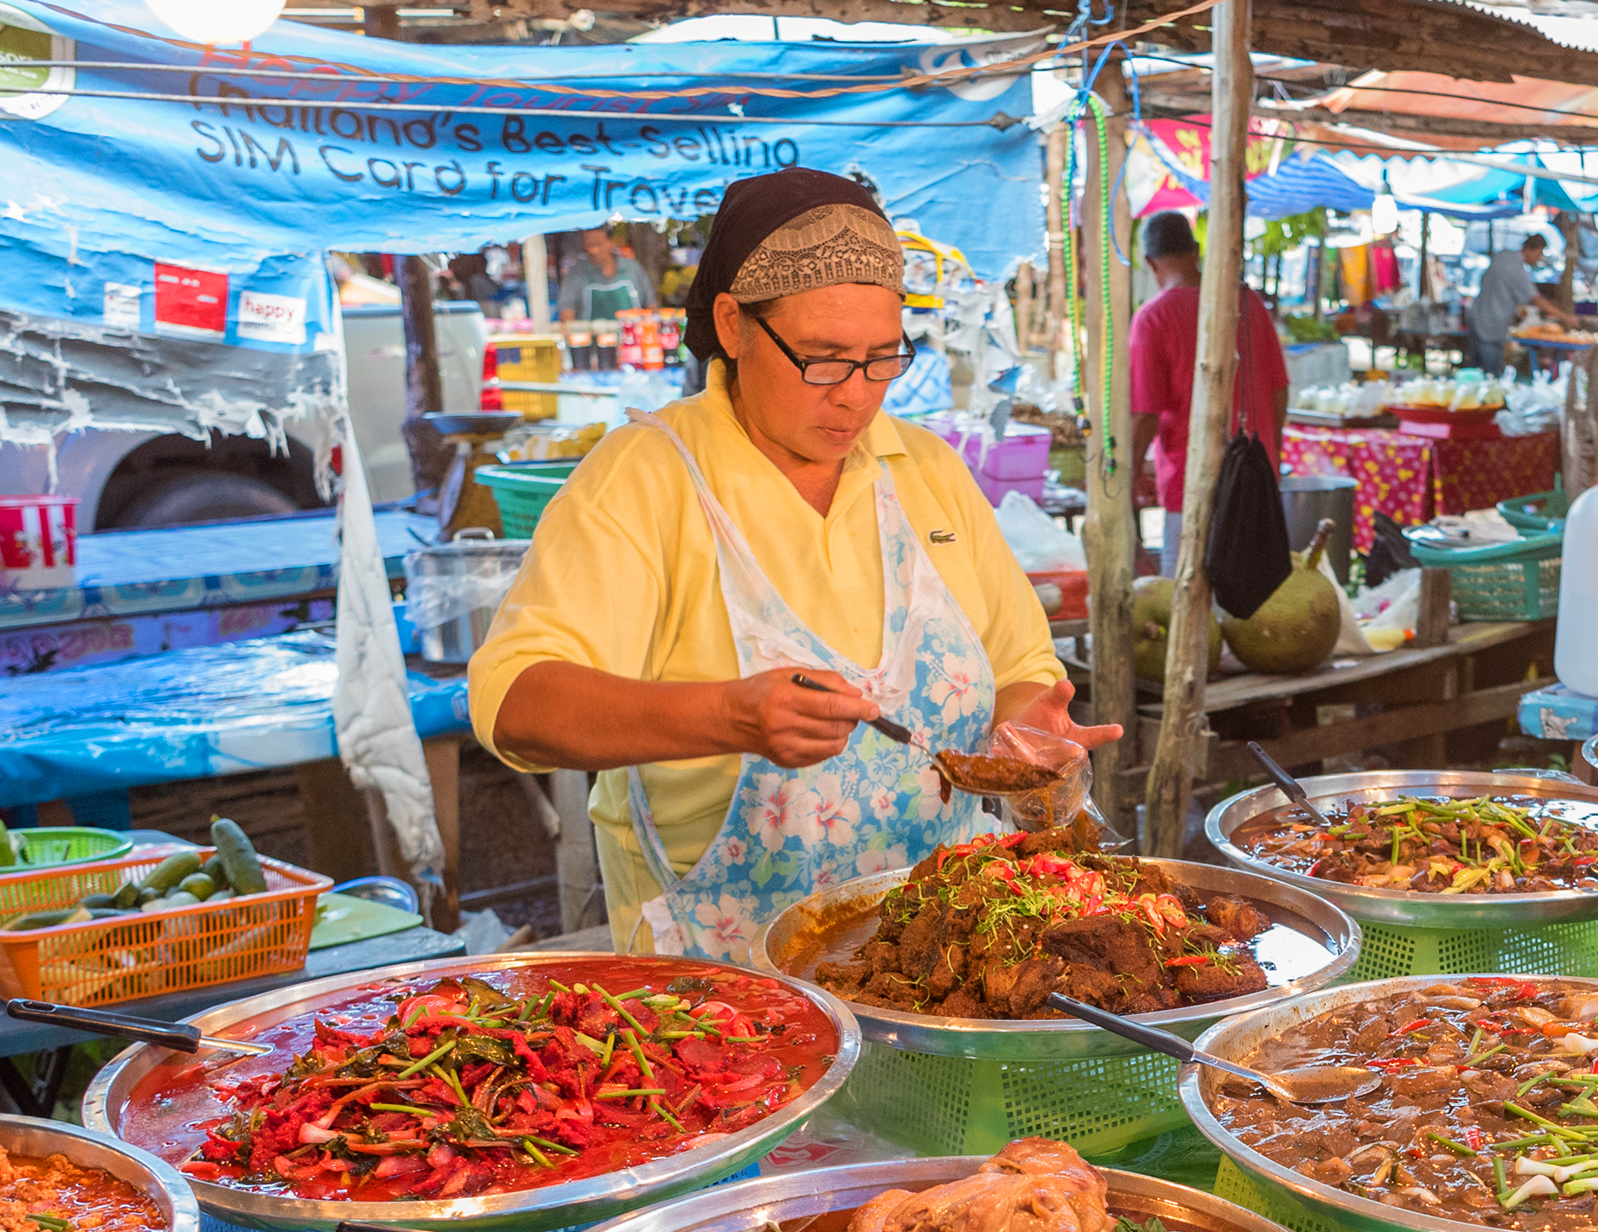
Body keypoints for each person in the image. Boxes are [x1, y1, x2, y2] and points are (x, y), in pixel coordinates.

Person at [466, 167, 1114, 960]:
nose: (857, 397)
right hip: (723, 1000)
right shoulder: (649, 478)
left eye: (883, 359)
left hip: (940, 966)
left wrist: (1026, 730)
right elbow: (515, 703)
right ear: (735, 326)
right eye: (824, 358)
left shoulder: (925, 471)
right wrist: (730, 716)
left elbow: (1019, 661)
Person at [1126, 210, 1289, 563]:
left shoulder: (1152, 318)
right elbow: (1279, 393)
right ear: (1196, 251)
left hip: (1193, 486)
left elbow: (1145, 415)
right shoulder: (1250, 303)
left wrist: (1129, 475)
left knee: (1185, 595)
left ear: (1151, 264)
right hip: (1255, 480)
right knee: (1247, 604)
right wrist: (1270, 457)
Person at [1466, 232, 1545, 373]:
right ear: (1532, 249)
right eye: (1539, 253)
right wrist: (1565, 317)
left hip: (1478, 318)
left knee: (1476, 373)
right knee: (1491, 376)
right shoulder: (1516, 267)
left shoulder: (1503, 255)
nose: (1539, 258)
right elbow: (1535, 298)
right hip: (1491, 327)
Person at [556, 226, 650, 323]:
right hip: (591, 337)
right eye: (589, 245)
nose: (593, 251)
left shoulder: (632, 268)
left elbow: (651, 305)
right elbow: (566, 315)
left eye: (598, 244)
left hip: (631, 335)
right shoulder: (576, 273)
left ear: (611, 242)